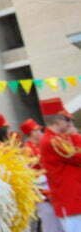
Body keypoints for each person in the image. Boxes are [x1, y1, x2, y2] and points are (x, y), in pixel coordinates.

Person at [38, 98, 81, 231]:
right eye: (67, 120)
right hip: (70, 202)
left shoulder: (58, 138)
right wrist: (75, 135)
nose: (70, 124)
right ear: (58, 120)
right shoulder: (52, 141)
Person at [21, 118, 60, 232]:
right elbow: (29, 179)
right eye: (38, 130)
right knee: (51, 227)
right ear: (32, 133)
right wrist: (46, 194)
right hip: (43, 196)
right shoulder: (26, 151)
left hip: (51, 191)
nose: (41, 133)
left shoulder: (40, 146)